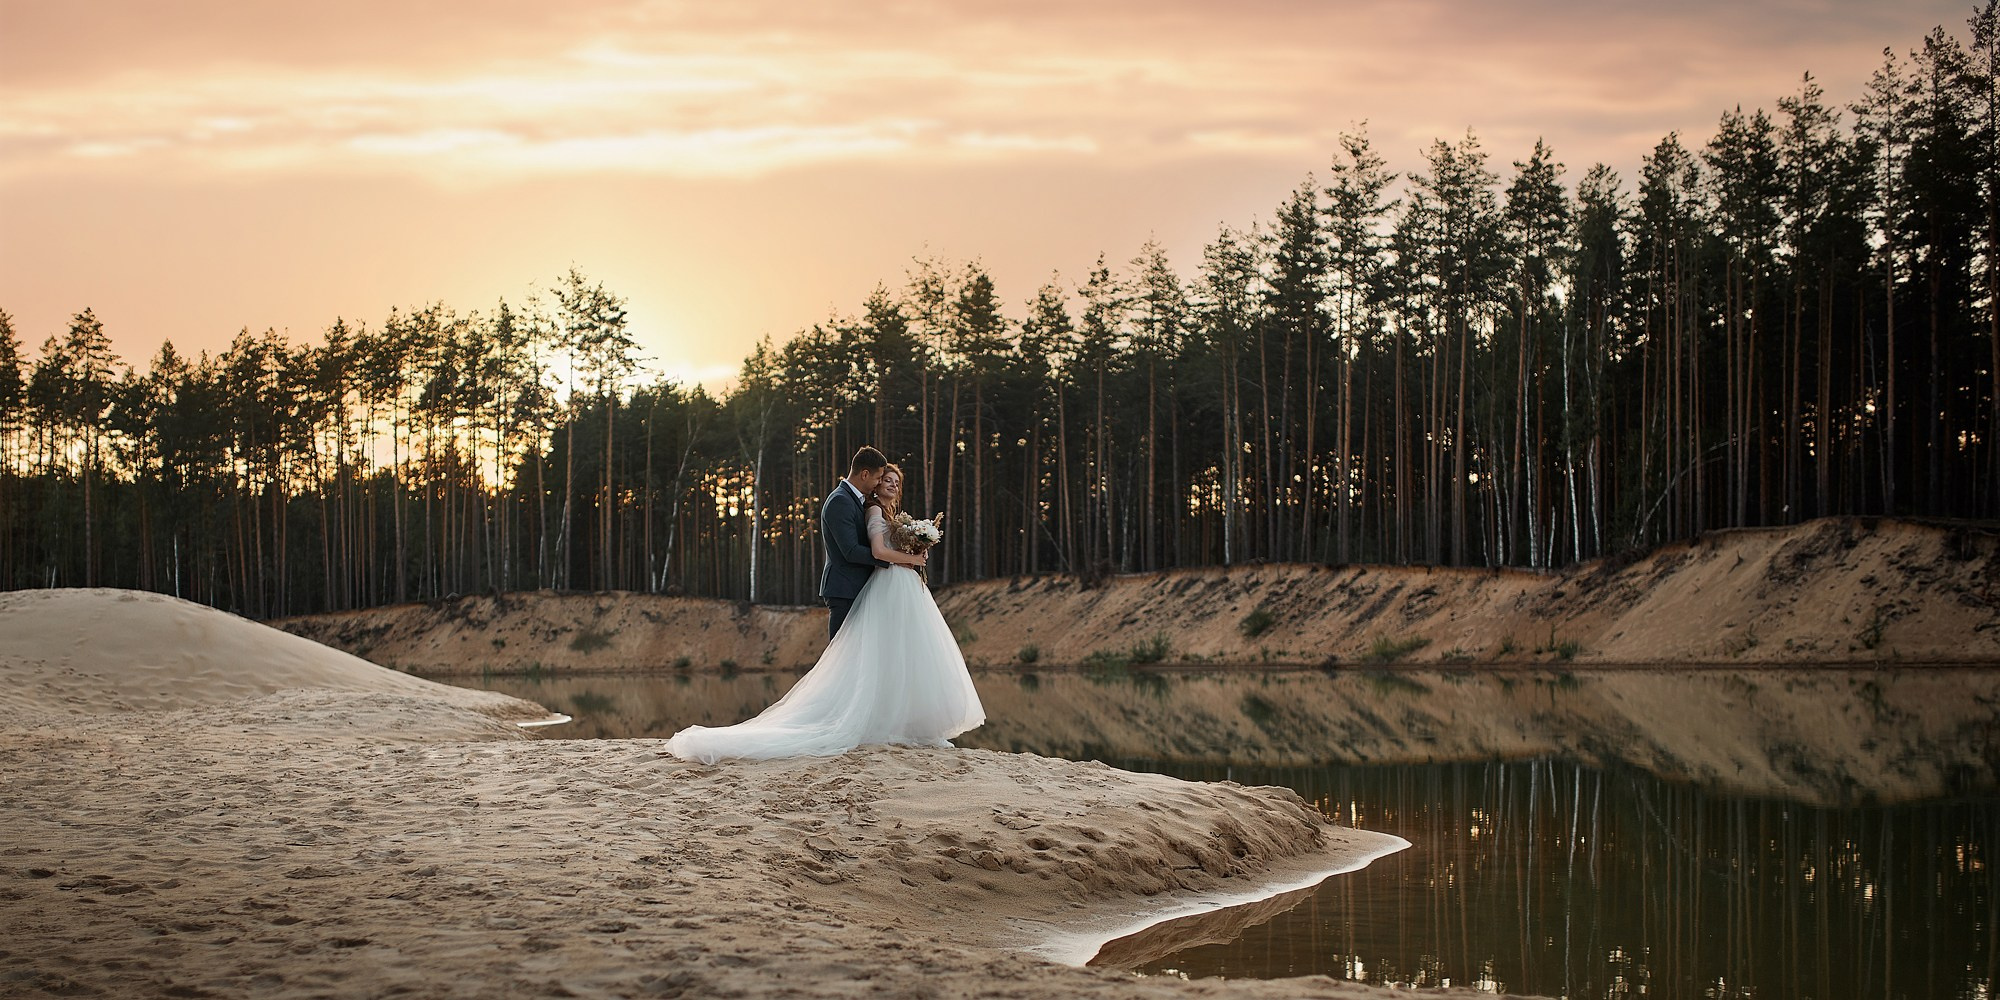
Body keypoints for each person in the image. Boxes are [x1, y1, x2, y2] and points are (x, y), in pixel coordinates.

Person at [663, 460, 985, 764]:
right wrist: (908, 560)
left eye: (893, 482)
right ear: (867, 477)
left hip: (884, 588)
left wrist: (912, 548)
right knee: (845, 664)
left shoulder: (880, 509)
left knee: (887, 658)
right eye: (882, 478)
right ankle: (846, 720)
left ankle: (895, 722)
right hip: (856, 588)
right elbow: (865, 550)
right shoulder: (855, 504)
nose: (886, 484)